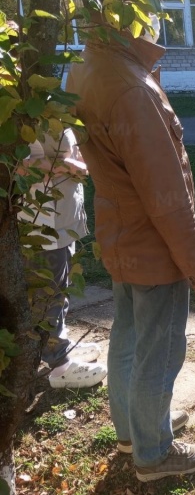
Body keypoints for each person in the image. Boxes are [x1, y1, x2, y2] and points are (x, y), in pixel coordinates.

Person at [66, 0, 195, 482]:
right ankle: (154, 455)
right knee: (158, 350)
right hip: (151, 246)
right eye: (144, 0)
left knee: (128, 339)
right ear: (121, 6)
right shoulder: (130, 86)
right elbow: (166, 195)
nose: (153, 12)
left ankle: (135, 431)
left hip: (119, 236)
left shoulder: (91, 65)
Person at [20, 131, 107, 389]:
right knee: (47, 297)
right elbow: (17, 163)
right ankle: (60, 366)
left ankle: (57, 348)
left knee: (57, 290)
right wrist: (67, 166)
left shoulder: (47, 100)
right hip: (40, 224)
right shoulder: (19, 102)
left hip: (60, 220)